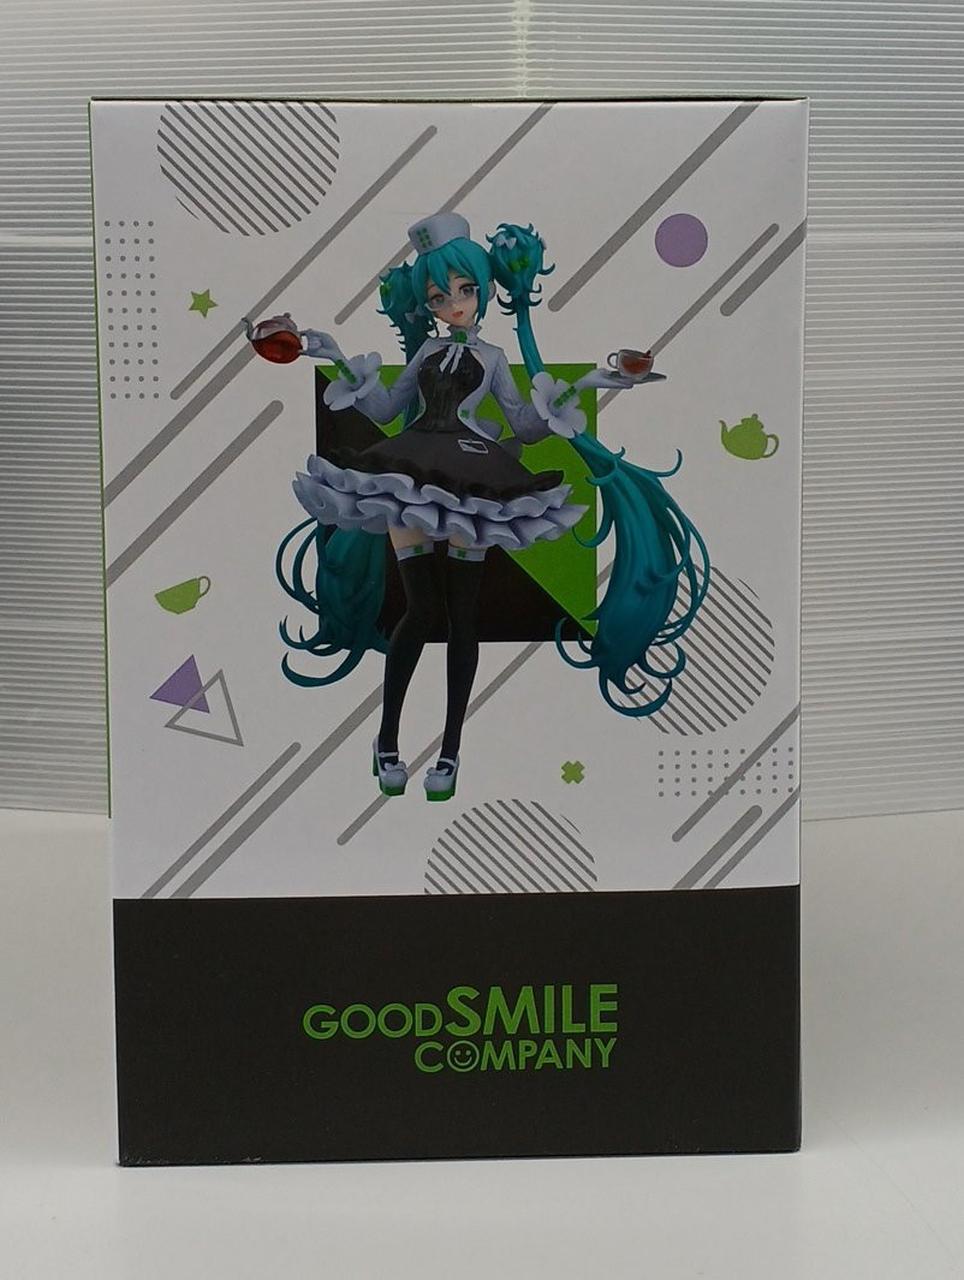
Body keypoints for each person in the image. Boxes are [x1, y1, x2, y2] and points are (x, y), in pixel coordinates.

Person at [271, 214, 708, 801]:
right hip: (411, 472)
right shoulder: (428, 349)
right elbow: (383, 409)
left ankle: (450, 750)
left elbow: (525, 426)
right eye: (438, 296)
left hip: (474, 476)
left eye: (464, 289)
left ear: (481, 289)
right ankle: (387, 737)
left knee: (463, 614)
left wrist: (591, 384)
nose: (453, 304)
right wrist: (337, 358)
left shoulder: (496, 356)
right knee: (421, 609)